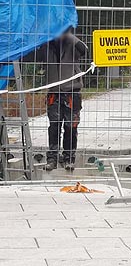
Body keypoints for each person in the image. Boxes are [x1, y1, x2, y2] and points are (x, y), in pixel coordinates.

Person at [24, 29, 88, 171]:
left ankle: (69, 158)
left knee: (71, 127)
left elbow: (84, 50)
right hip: (54, 93)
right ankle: (52, 158)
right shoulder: (47, 46)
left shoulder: (72, 44)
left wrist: (69, 35)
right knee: (54, 127)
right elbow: (30, 57)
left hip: (72, 92)